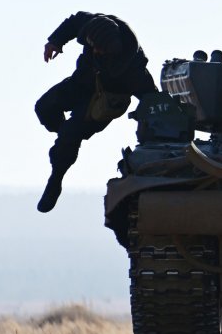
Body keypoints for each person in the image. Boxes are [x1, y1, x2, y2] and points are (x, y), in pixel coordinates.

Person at [35, 11, 157, 212]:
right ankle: (66, 142)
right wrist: (55, 41)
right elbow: (73, 22)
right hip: (82, 82)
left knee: (70, 134)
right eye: (94, 48)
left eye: (101, 50)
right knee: (44, 107)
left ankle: (56, 177)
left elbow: (151, 98)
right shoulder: (92, 24)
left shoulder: (133, 68)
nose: (97, 52)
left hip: (105, 101)